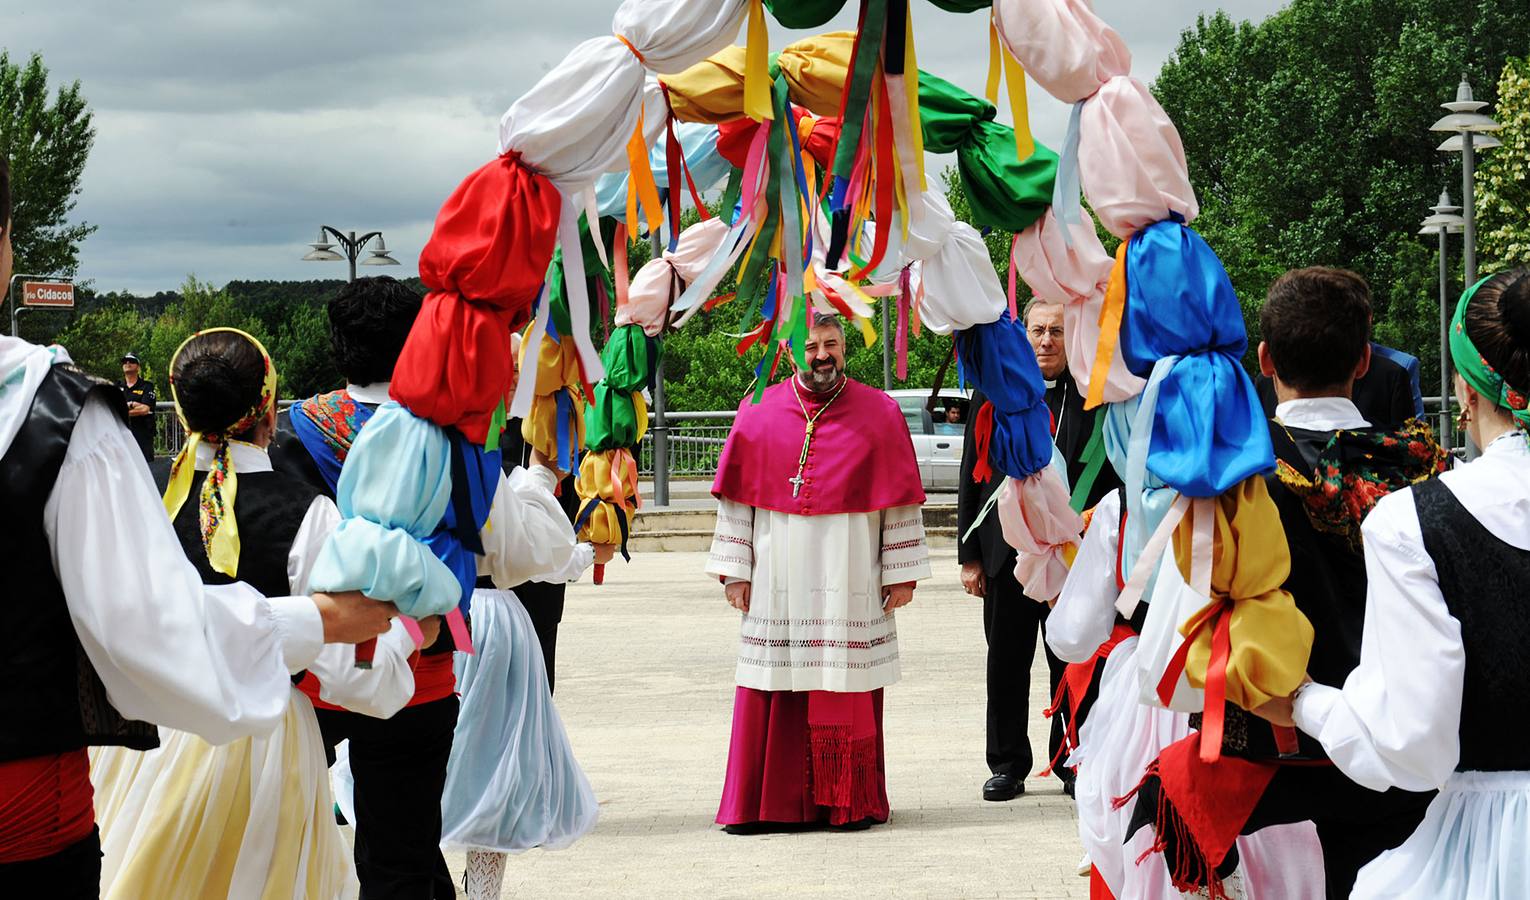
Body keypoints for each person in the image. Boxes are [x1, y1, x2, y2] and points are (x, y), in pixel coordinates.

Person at [0, 157, 394, 898]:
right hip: (222, 747)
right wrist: (339, 633)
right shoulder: (72, 431)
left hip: (146, 762)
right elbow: (151, 630)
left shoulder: (155, 489)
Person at [1124, 268, 1445, 897]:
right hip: (1397, 758)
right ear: (1364, 359)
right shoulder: (1425, 470)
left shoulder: (1236, 479)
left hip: (1264, 768)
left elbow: (1177, 648)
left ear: (1264, 358)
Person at [273, 275, 583, 899]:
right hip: (421, 662)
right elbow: (515, 551)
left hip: (320, 663)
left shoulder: (295, 434)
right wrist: (541, 484)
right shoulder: (448, 436)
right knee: (403, 849)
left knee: (296, 827)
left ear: (338, 350)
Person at [91, 328, 423, 899]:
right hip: (261, 743)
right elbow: (350, 671)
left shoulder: (140, 490)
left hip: (147, 730)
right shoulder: (309, 512)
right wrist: (407, 645)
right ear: (268, 408)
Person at [1256, 267, 1530, 899]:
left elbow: (1412, 746)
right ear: (1364, 360)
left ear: (1464, 388)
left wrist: (1303, 700)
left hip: (1491, 842)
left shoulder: (1416, 521)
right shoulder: (1413, 482)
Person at [708, 313, 931, 831]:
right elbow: (738, 503)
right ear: (790, 352)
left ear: (844, 346)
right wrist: (735, 570)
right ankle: (766, 805)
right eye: (810, 346)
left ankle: (845, 802)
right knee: (772, 684)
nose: (822, 355)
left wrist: (899, 573)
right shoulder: (758, 410)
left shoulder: (879, 413)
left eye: (831, 343)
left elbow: (899, 503)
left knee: (844, 681)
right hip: (776, 579)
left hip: (849, 575)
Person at [115, 352, 156, 462]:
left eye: (132, 361)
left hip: (142, 436)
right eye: (125, 361)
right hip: (121, 436)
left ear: (138, 366)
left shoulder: (147, 386)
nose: (127, 363)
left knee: (143, 472)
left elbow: (145, 409)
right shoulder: (116, 386)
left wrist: (125, 408)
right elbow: (112, 409)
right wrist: (134, 405)